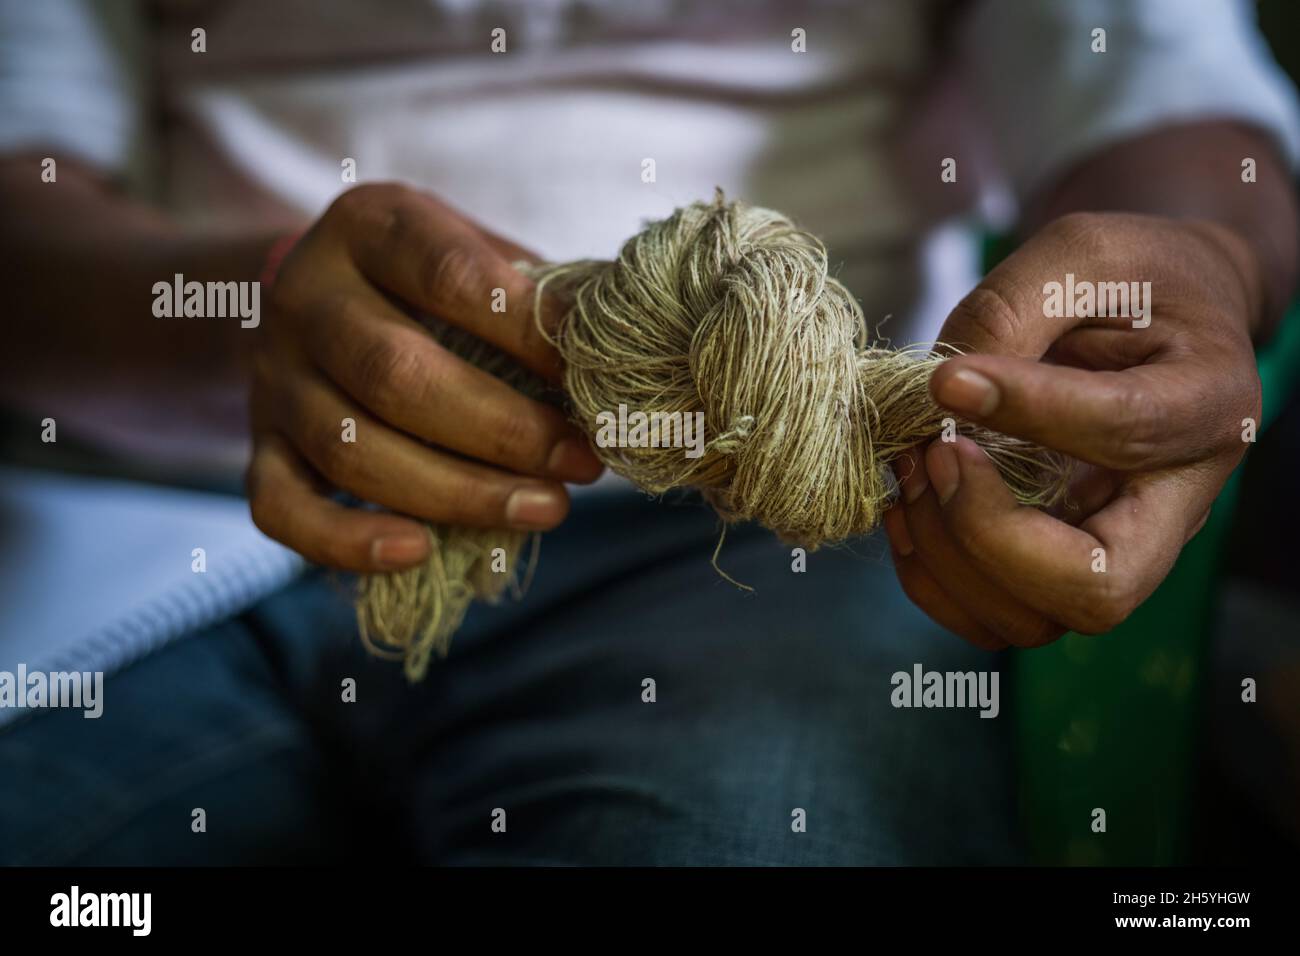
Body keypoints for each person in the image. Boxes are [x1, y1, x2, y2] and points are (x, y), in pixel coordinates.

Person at [0, 0, 1296, 865]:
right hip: (155, 517)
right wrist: (252, 316)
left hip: (766, 526)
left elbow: (1165, 97)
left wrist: (1194, 269)